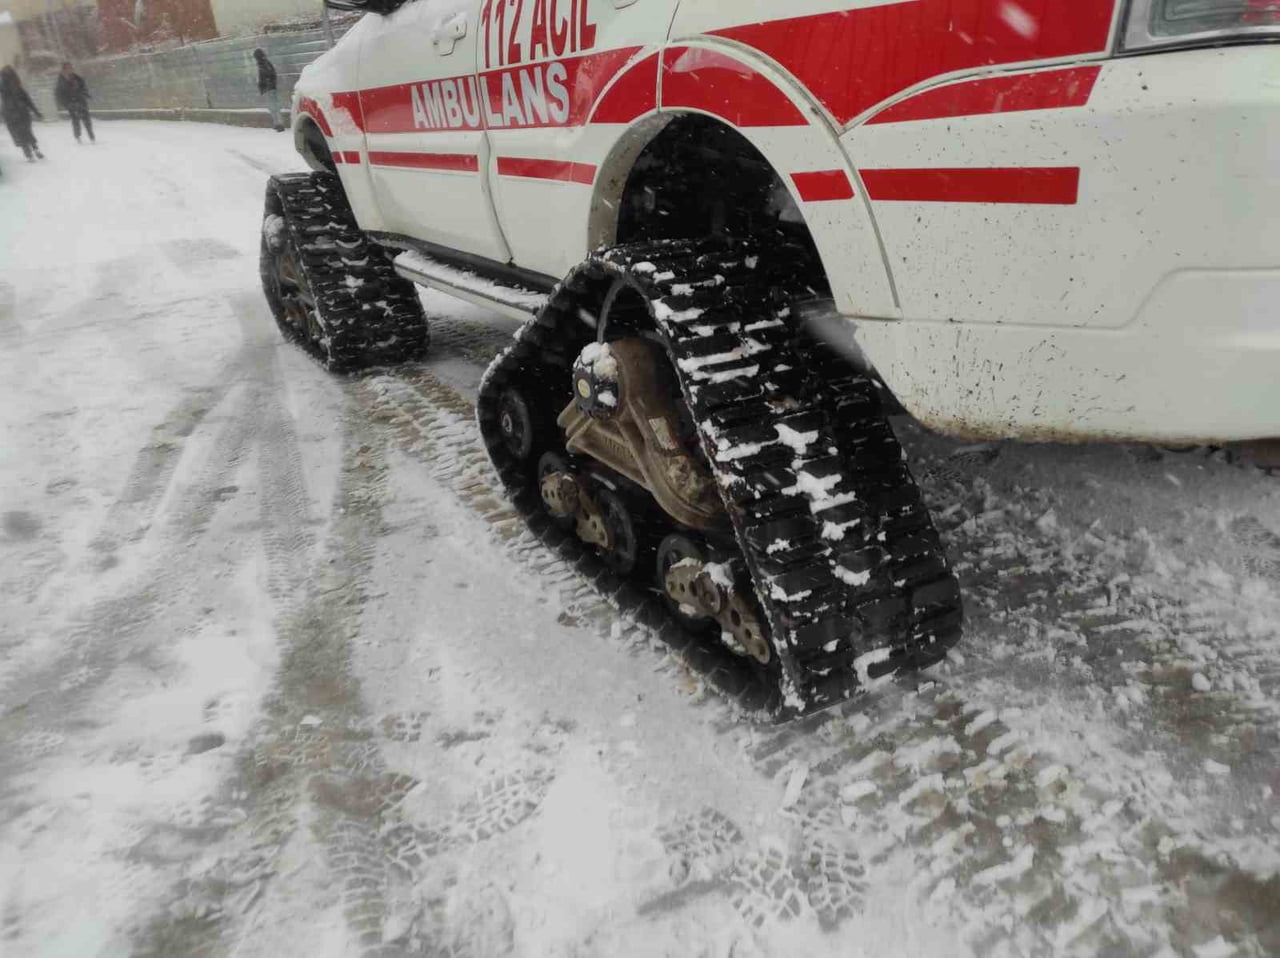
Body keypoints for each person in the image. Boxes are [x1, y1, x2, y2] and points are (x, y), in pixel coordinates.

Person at [1, 65, 44, 161]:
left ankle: (30, 153)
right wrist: (36, 111)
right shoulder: (15, 86)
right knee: (26, 132)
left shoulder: (8, 87)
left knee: (21, 134)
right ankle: (34, 150)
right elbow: (27, 100)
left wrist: (36, 111)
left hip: (13, 113)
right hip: (19, 112)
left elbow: (26, 99)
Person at [55, 62, 94, 144]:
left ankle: (91, 135)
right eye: (67, 68)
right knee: (76, 120)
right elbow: (59, 95)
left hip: (81, 101)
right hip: (71, 103)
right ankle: (78, 136)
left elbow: (83, 87)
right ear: (64, 70)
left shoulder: (77, 78)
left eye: (70, 68)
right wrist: (67, 104)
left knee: (86, 119)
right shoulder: (61, 80)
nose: (69, 70)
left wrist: (86, 94)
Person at [254, 49, 284, 132]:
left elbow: (266, 76)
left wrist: (265, 86)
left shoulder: (263, 64)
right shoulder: (266, 63)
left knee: (273, 107)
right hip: (270, 88)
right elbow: (271, 75)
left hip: (269, 88)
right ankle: (277, 123)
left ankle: (279, 125)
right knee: (273, 107)